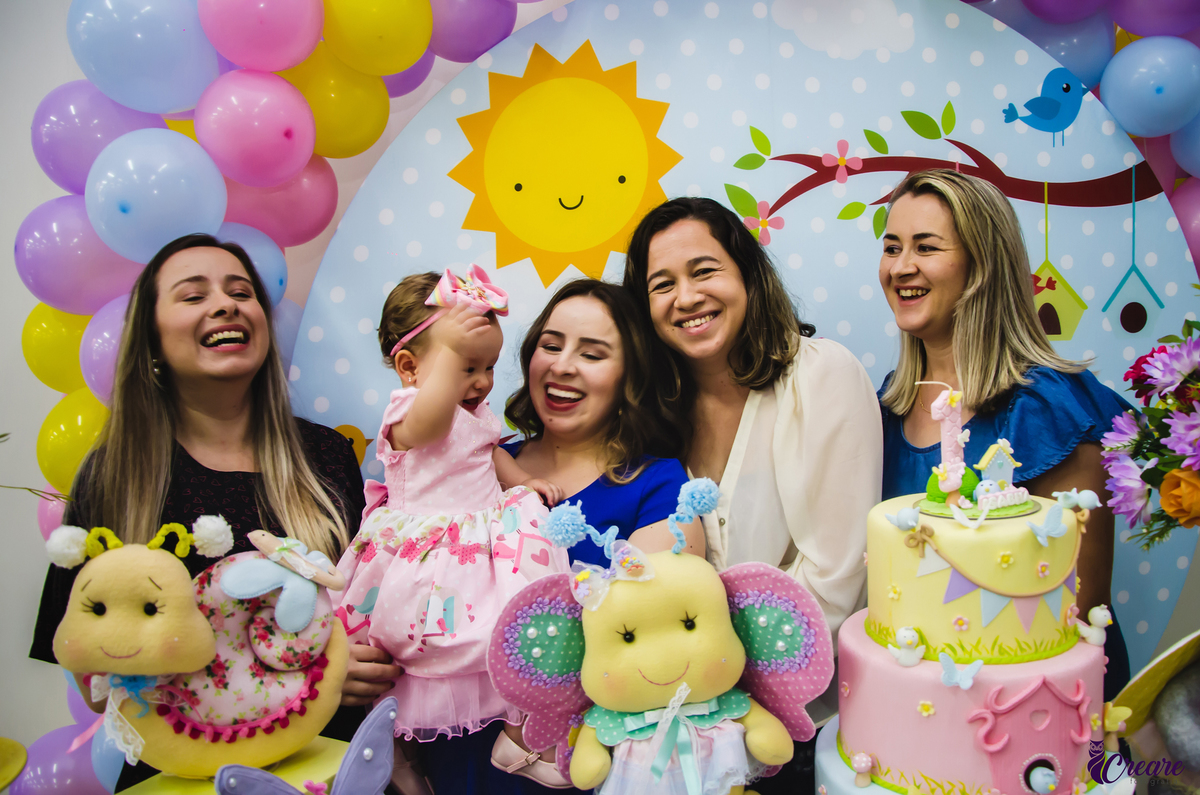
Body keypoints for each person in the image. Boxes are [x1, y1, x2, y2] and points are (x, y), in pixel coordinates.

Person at [28, 234, 372, 791]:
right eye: (193, 296)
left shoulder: (327, 457)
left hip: (326, 770)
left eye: (241, 292)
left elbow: (366, 611)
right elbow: (91, 671)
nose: (225, 304)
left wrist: (357, 662)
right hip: (185, 777)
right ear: (153, 341)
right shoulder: (116, 476)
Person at [623, 197, 883, 794]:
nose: (685, 297)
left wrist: (718, 696)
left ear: (748, 274)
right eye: (662, 285)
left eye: (704, 270)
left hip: (792, 732)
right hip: (676, 737)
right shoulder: (653, 411)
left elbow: (838, 578)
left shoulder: (820, 375)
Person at [422, 278, 705, 795]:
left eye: (592, 354)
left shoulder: (659, 483)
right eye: (550, 346)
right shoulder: (475, 461)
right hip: (440, 752)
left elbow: (653, 645)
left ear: (631, 378)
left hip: (565, 767)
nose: (562, 365)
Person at [875, 168, 1131, 700]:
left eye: (926, 247)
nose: (901, 268)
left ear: (982, 265)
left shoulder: (1043, 406)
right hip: (921, 706)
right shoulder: (884, 405)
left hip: (1035, 709)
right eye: (892, 247)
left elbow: (1075, 609)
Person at [334, 267, 571, 794]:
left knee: (509, 628)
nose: (483, 382)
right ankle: (395, 750)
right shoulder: (407, 413)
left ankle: (523, 729)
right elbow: (435, 426)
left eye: (488, 367)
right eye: (467, 366)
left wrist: (524, 481)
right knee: (413, 652)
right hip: (428, 553)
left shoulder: (476, 410)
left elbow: (485, 457)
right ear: (409, 367)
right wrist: (446, 373)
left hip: (480, 540)